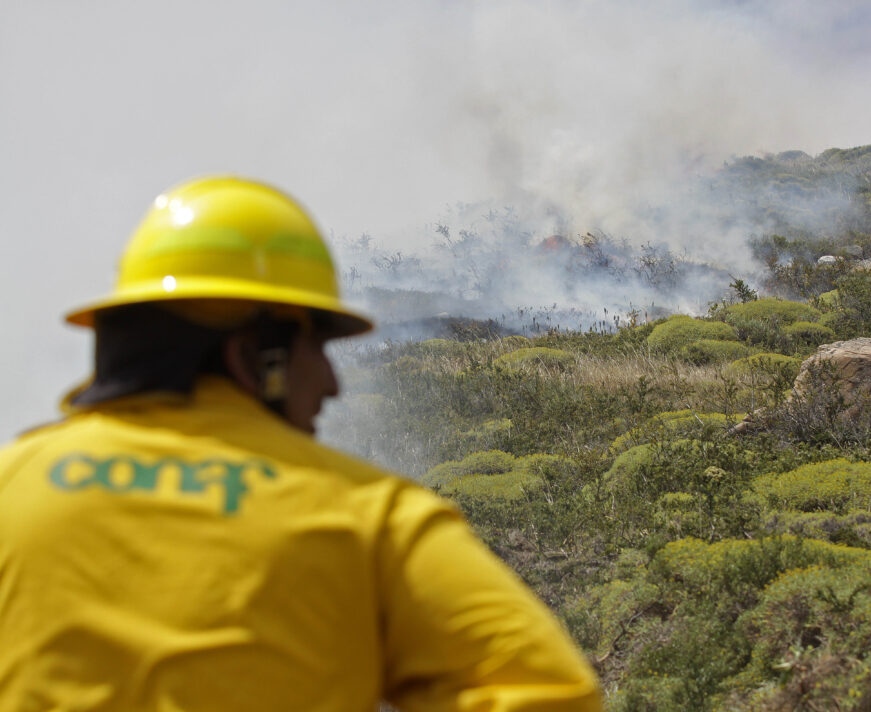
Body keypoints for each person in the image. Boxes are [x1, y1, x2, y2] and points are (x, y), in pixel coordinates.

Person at [0, 177, 603, 711]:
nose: (334, 383)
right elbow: (552, 696)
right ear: (253, 357)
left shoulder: (12, 484)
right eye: (317, 346)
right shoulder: (370, 518)